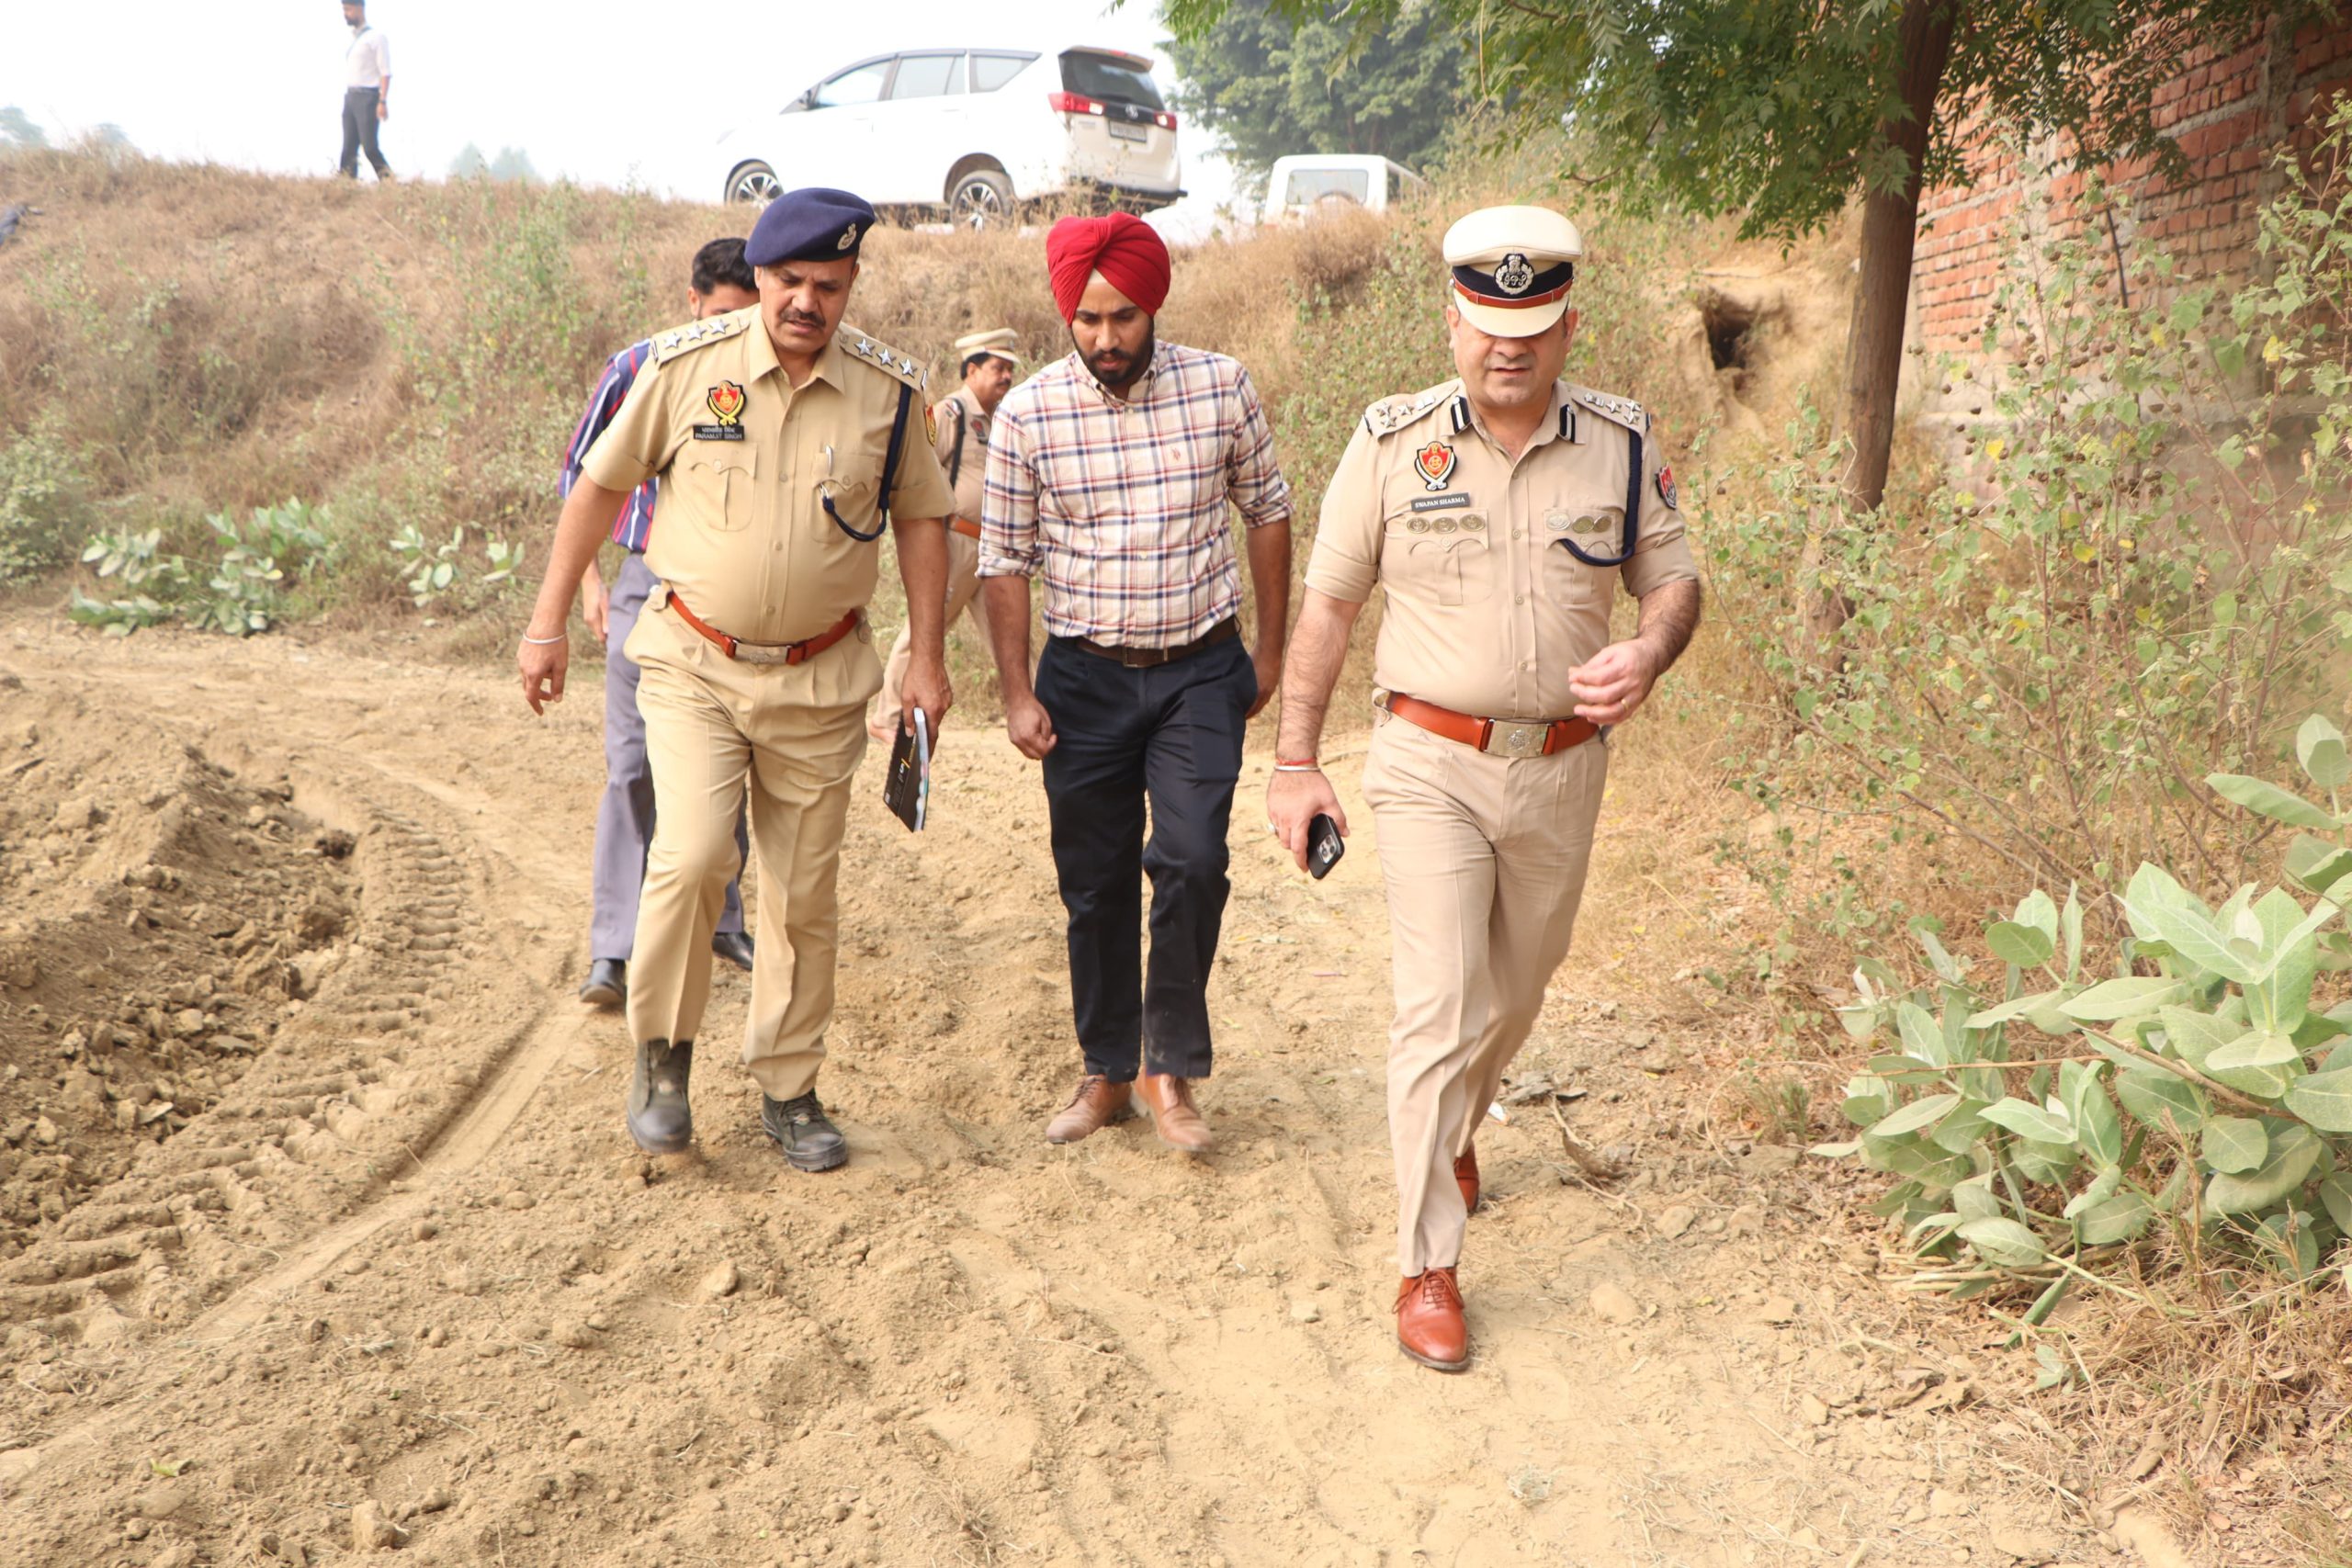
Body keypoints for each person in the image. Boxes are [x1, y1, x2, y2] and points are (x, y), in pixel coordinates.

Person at [1264, 206, 1702, 1371]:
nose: (1508, 347)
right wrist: (1297, 761)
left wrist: (1649, 653)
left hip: (1561, 768)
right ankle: (1426, 1265)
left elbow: (1673, 578)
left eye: (1535, 328)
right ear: (1452, 317)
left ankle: (1461, 1117)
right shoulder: (1392, 443)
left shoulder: (1617, 440)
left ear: (1568, 329)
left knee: (1517, 990)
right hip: (1426, 761)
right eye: (1487, 324)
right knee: (1440, 1000)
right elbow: (1329, 609)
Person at [517, 188, 956, 1173]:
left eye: (829, 286)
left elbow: (924, 520)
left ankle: (789, 1088)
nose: (807, 301)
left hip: (821, 676)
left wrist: (926, 656)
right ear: (759, 277)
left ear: (850, 289)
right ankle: (662, 1058)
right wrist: (548, 622)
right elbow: (597, 485)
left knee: (802, 891)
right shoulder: (683, 371)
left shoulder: (888, 393)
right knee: (693, 855)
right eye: (791, 281)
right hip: (692, 662)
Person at [979, 212, 1295, 1156]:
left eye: (1121, 317)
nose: (1106, 339)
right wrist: (1014, 692)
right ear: (1064, 315)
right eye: (1087, 320)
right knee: (1094, 881)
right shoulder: (1028, 413)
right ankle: (1107, 1069)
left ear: (1151, 304)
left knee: (1194, 861)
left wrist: (1269, 652)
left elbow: (1269, 514)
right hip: (1081, 679)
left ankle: (1172, 1070)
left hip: (1200, 669)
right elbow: (1004, 559)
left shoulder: (1220, 388)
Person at [564, 238, 762, 1011]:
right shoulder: (637, 369)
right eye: (719, 316)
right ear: (691, 302)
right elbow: (582, 482)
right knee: (633, 765)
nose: (731, 334)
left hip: (730, 593)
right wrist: (586, 586)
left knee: (729, 756)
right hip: (645, 580)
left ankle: (724, 919)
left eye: (745, 319)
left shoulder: (769, 378)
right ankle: (614, 945)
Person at [867, 326, 1022, 740]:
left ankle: (1029, 706)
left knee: (1009, 632)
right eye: (997, 368)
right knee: (925, 629)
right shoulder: (950, 413)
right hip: (954, 543)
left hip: (989, 548)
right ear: (971, 371)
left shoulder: (994, 420)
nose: (1006, 376)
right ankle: (885, 717)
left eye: (1010, 369)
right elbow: (920, 471)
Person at [336, 2, 394, 183]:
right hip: (351, 96)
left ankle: (389, 182)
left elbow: (385, 73)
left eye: (348, 9)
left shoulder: (376, 38)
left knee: (369, 147)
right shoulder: (354, 39)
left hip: (368, 97)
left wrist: (382, 101)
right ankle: (346, 185)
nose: (346, 14)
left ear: (359, 9)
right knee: (348, 148)